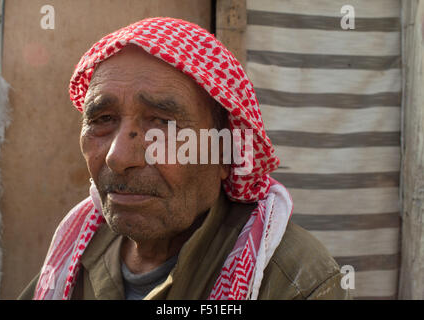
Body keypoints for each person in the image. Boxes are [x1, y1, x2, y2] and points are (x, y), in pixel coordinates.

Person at [19, 17, 350, 300]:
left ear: (226, 153)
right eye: (103, 119)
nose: (119, 157)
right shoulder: (76, 247)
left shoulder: (295, 280)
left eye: (163, 124)